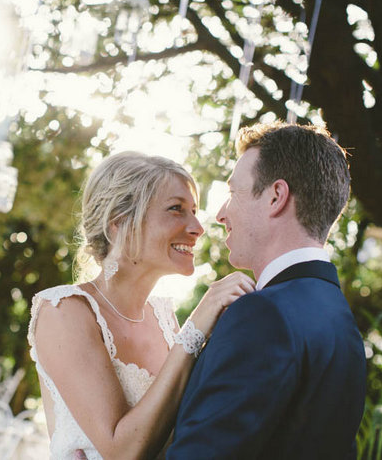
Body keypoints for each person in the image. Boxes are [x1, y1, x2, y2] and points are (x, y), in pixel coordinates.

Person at [27, 151, 256, 459]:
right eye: (176, 209)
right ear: (119, 223)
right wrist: (196, 326)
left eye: (193, 210)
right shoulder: (64, 310)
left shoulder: (164, 318)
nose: (197, 227)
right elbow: (123, 452)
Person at [167, 122, 367, 459]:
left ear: (276, 196)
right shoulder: (340, 320)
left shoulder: (262, 314)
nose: (219, 215)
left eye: (232, 193)